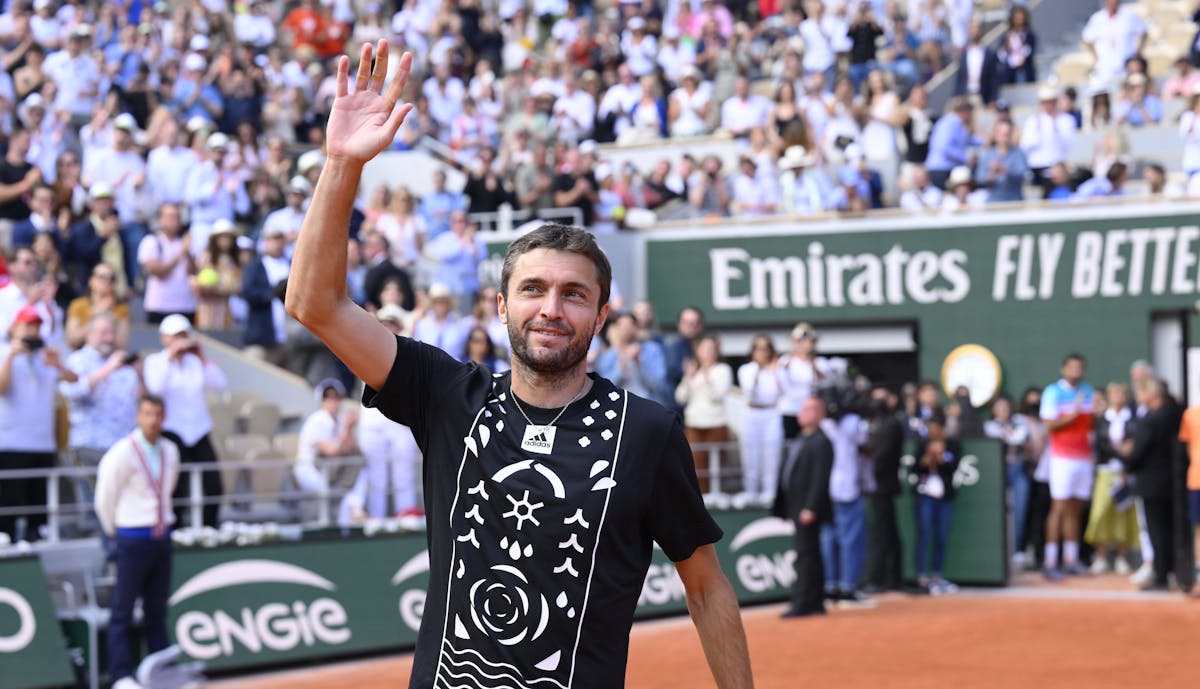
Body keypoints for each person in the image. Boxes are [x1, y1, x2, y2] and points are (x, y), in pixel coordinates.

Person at [284, 41, 752, 689]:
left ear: (601, 313)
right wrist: (340, 163)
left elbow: (704, 584)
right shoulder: (446, 392)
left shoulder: (645, 431)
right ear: (501, 305)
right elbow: (314, 303)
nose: (551, 308)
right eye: (533, 289)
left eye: (574, 293)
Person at [93, 394, 179, 689]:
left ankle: (161, 672)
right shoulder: (121, 453)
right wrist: (114, 533)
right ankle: (122, 676)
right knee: (122, 612)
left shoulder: (170, 450)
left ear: (163, 418)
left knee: (157, 610)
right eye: (147, 414)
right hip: (131, 538)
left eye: (158, 414)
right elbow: (105, 497)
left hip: (161, 538)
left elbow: (169, 489)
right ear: (137, 416)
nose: (153, 420)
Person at [0, 304, 78, 541]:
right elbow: (2, 389)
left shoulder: (46, 355)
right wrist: (12, 355)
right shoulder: (4, 352)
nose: (32, 331)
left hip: (42, 442)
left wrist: (57, 364)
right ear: (15, 327)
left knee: (38, 503)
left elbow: (73, 379)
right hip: (10, 442)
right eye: (28, 325)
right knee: (9, 503)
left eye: (36, 326)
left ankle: (37, 536)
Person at [142, 314, 227, 528]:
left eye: (183, 335)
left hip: (199, 429)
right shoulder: (155, 362)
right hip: (172, 430)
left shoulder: (195, 362)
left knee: (213, 483)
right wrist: (171, 357)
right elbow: (155, 389)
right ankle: (177, 528)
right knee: (176, 485)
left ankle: (210, 527)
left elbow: (219, 384)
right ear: (165, 338)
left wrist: (202, 358)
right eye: (175, 336)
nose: (180, 340)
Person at [60, 313, 140, 532]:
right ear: (88, 335)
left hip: (122, 446)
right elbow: (74, 392)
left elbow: (135, 401)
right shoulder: (77, 361)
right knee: (97, 506)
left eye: (111, 333)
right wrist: (107, 369)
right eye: (103, 332)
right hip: (90, 446)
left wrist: (138, 373)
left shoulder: (123, 363)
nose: (108, 338)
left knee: (122, 505)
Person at [357, 305, 423, 518]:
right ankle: (376, 520)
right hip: (373, 420)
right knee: (377, 477)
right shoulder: (365, 347)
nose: (387, 327)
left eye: (391, 324)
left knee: (403, 475)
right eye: (383, 323)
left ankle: (406, 517)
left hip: (400, 420)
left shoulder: (412, 351)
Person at [774, 396, 834, 618]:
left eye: (810, 409)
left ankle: (804, 601)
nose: (803, 412)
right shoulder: (799, 439)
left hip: (808, 509)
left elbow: (820, 479)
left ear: (820, 415)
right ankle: (815, 601)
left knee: (806, 554)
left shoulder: (822, 442)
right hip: (794, 506)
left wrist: (811, 507)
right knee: (809, 553)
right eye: (803, 408)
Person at [1121, 378, 1183, 591]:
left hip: (1152, 483)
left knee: (1157, 531)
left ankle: (1161, 576)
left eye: (1142, 390)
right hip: (1173, 482)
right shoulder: (1175, 415)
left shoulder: (1150, 420)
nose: (1138, 395)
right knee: (1170, 528)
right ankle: (1175, 571)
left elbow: (1136, 454)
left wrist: (1125, 453)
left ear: (1153, 395)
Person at [1040, 353, 1096, 580]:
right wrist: (1073, 415)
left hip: (1084, 457)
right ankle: (1050, 561)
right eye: (1072, 367)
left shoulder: (1088, 392)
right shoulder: (1053, 392)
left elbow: (1092, 423)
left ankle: (1071, 559)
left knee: (1076, 508)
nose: (1077, 371)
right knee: (1059, 507)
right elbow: (1050, 424)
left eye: (1080, 367)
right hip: (1061, 457)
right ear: (1064, 369)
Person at [1087, 382, 1140, 575]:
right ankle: (1100, 556)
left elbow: (1134, 444)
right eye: (1114, 394)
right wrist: (1119, 451)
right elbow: (1101, 444)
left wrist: (1126, 464)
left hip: (1124, 472)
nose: (1117, 397)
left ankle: (1121, 557)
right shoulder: (1101, 419)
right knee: (1100, 513)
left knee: (1122, 513)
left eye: (1121, 393)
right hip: (1105, 471)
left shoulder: (1132, 419)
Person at [675, 334, 733, 494]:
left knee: (716, 468)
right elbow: (680, 397)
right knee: (696, 467)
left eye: (711, 348)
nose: (708, 352)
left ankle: (717, 496)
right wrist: (688, 377)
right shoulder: (693, 371)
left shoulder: (723, 370)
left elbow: (718, 396)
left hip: (716, 424)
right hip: (694, 424)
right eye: (704, 348)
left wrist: (707, 380)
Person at [913, 411, 960, 594]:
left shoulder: (953, 445)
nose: (933, 431)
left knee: (941, 536)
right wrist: (926, 459)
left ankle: (937, 576)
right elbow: (915, 468)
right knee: (924, 535)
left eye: (936, 428)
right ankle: (921, 576)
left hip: (944, 497)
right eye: (930, 427)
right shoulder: (921, 444)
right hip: (925, 495)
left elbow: (953, 467)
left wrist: (941, 458)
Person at [984, 394, 1033, 569]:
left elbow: (1019, 439)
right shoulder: (989, 426)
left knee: (1020, 511)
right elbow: (1004, 439)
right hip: (998, 473)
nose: (1003, 411)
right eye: (999, 407)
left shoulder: (1020, 424)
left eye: (1006, 407)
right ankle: (997, 551)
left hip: (1018, 471)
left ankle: (1017, 550)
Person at [295, 378, 358, 513]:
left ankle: (352, 517)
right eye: (328, 397)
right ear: (322, 400)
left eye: (337, 397)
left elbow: (352, 449)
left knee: (360, 469)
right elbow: (332, 451)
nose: (333, 401)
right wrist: (347, 428)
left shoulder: (340, 419)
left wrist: (350, 429)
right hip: (309, 469)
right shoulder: (317, 420)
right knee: (334, 493)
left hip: (329, 469)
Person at [737, 335, 785, 505]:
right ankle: (751, 492)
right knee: (751, 455)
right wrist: (759, 369)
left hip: (771, 412)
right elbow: (749, 391)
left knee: (771, 454)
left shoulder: (777, 369)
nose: (762, 352)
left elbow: (783, 392)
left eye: (766, 348)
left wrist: (775, 371)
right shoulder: (746, 369)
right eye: (758, 348)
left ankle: (769, 492)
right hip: (751, 413)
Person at [864, 385, 904, 593]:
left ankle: (880, 579)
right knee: (885, 532)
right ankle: (890, 577)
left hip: (883, 486)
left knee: (884, 532)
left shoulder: (891, 424)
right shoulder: (874, 423)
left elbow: (881, 457)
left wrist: (865, 474)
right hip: (876, 486)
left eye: (882, 398)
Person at [777, 323, 829, 441]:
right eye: (800, 341)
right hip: (790, 410)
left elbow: (822, 381)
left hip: (811, 411)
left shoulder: (820, 362)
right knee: (790, 444)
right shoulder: (785, 361)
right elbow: (782, 381)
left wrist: (811, 360)